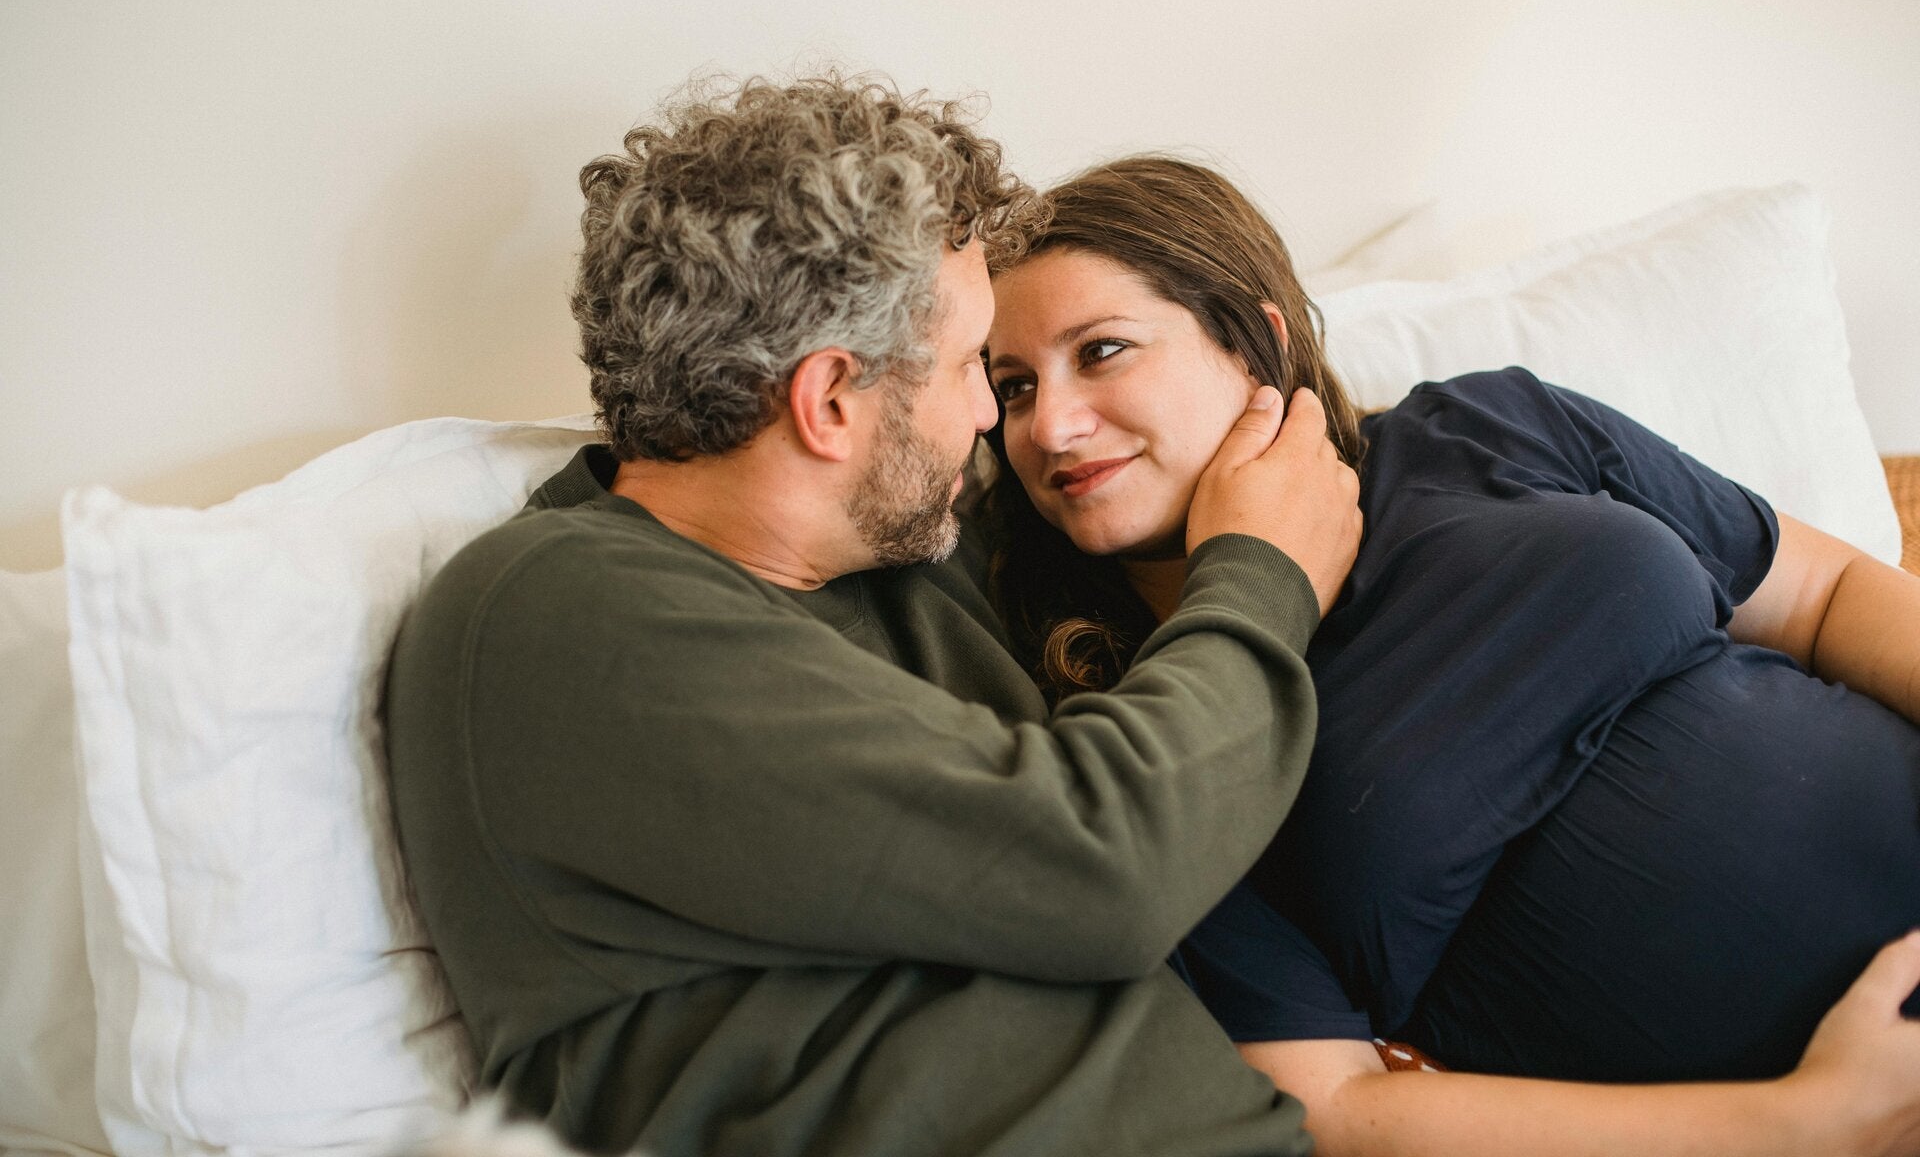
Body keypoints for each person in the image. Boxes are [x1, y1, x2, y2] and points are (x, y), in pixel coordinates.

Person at [383, 75, 1366, 1157]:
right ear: (830, 400)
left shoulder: (901, 560)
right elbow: (1105, 860)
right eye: (969, 371)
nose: (995, 419)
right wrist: (1264, 572)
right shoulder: (556, 610)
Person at [981, 154, 1920, 1157]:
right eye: (1013, 386)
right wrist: (1811, 1119)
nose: (1051, 424)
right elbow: (1332, 1108)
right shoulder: (1148, 734)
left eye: (1104, 350)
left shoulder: (1487, 424)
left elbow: (1825, 593)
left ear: (1257, 339)